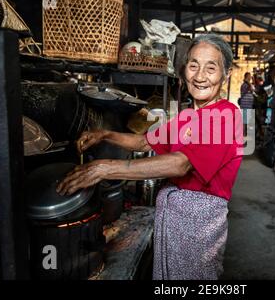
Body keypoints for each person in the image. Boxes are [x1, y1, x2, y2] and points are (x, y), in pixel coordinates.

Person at [56, 33, 244, 280]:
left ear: (225, 74)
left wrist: (104, 168)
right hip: (172, 220)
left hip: (199, 228)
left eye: (211, 68)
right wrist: (105, 134)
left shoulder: (227, 116)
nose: (200, 76)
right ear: (184, 70)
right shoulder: (187, 117)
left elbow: (181, 163)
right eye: (193, 65)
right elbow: (145, 141)